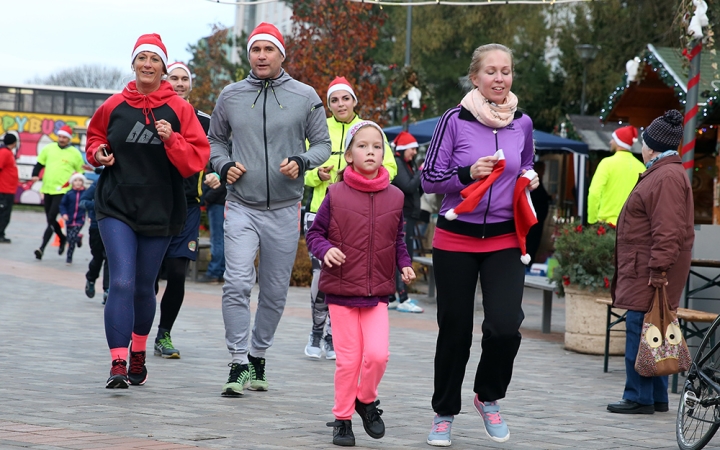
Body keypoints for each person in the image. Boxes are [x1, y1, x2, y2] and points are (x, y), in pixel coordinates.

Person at [421, 43, 539, 446]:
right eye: (491, 71)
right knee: (455, 331)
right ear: (475, 78)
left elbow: (526, 163)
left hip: (505, 238)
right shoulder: (453, 120)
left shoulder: (522, 123)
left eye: (506, 71)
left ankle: (488, 397)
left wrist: (529, 177)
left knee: (506, 327)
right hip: (456, 237)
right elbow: (430, 179)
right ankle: (443, 413)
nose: (500, 79)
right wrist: (467, 172)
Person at [208, 22, 331, 397]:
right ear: (249, 55)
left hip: (284, 207)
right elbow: (215, 141)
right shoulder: (230, 95)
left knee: (274, 292)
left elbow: (323, 145)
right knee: (238, 282)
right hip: (241, 205)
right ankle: (237, 361)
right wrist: (224, 166)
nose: (261, 55)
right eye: (255, 49)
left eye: (268, 49)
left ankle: (258, 354)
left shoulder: (304, 95)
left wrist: (301, 160)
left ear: (281, 54)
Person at [86, 33, 210, 389]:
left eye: (154, 59)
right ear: (133, 63)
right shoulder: (113, 105)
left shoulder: (180, 109)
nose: (147, 64)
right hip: (117, 204)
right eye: (142, 58)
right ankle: (118, 362)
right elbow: (94, 139)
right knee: (122, 281)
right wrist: (97, 153)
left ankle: (139, 350)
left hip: (160, 208)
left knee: (143, 286)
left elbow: (195, 161)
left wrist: (172, 138)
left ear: (164, 68)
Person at [305, 120, 416, 447]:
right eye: (363, 146)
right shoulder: (335, 194)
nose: (371, 151)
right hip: (341, 292)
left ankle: (365, 400)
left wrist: (405, 265)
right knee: (349, 360)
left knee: (378, 356)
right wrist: (326, 251)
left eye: (377, 146)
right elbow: (314, 234)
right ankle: (342, 419)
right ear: (349, 154)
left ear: (384, 154)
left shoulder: (395, 197)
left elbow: (398, 240)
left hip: (378, 293)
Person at [303, 76, 397, 360]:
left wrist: (367, 178)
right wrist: (315, 175)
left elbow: (390, 168)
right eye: (334, 100)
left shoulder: (368, 131)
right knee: (322, 277)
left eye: (345, 98)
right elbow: (302, 170)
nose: (340, 104)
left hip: (362, 212)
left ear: (355, 101)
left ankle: (334, 337)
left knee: (349, 278)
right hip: (321, 211)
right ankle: (316, 331)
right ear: (328, 105)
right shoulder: (317, 129)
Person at [606, 110, 694, 415]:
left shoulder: (665, 175)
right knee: (651, 330)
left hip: (649, 271)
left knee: (640, 330)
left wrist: (658, 270)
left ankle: (638, 397)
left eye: (644, 142)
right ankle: (656, 396)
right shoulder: (665, 172)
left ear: (651, 146)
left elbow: (668, 231)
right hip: (646, 268)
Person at [153, 61, 211, 360]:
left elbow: (215, 156)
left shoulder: (205, 120)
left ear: (191, 84)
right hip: (154, 203)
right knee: (149, 275)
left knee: (177, 273)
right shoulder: (151, 113)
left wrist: (215, 178)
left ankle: (164, 333)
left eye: (184, 78)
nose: (178, 83)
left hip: (187, 206)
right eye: (173, 77)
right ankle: (138, 329)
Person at [31, 125, 84, 260]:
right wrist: (35, 174)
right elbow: (39, 163)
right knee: (50, 218)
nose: (61, 139)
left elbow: (80, 172)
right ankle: (62, 237)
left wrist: (75, 186)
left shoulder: (75, 153)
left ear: (69, 139)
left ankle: (41, 248)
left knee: (50, 219)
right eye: (60, 136)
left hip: (63, 191)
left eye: (64, 137)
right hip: (47, 188)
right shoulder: (49, 148)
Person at [388, 131, 424, 313]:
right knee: (403, 256)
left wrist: (422, 178)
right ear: (402, 149)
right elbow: (408, 187)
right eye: (412, 149)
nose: (415, 153)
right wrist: (421, 172)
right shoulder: (398, 164)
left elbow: (417, 189)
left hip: (409, 215)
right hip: (402, 215)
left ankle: (392, 297)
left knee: (401, 254)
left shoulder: (408, 165)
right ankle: (403, 298)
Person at [587, 125, 646, 225]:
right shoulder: (641, 167)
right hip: (631, 226)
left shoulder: (606, 163)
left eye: (613, 139)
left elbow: (594, 192)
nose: (610, 142)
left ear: (619, 142)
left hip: (607, 225)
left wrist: (592, 220)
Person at [80, 173, 110, 304]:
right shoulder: (99, 181)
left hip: (115, 228)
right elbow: (83, 201)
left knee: (111, 258)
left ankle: (108, 291)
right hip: (96, 226)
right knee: (98, 258)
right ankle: (91, 279)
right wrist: (98, 206)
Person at [198, 171, 227, 284]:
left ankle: (214, 272)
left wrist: (207, 198)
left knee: (217, 239)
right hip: (224, 202)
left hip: (217, 203)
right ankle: (221, 272)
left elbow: (221, 184)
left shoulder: (220, 158)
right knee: (224, 239)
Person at [526, 160, 551, 265]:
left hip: (538, 219)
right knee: (532, 242)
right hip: (534, 219)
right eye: (543, 170)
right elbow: (538, 197)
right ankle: (528, 263)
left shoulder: (538, 182)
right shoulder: (534, 183)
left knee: (534, 242)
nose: (544, 173)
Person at [59, 173, 87, 264]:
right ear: (72, 182)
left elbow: (90, 205)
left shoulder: (86, 194)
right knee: (70, 239)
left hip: (80, 219)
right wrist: (64, 214)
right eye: (75, 180)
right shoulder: (69, 194)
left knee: (72, 237)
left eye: (80, 180)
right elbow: (62, 205)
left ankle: (77, 237)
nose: (78, 183)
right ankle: (69, 256)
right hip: (69, 219)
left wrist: (90, 216)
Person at [0, 133, 18, 243]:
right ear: (14, 142)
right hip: (4, 189)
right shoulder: (4, 153)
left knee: (5, 213)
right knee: (4, 213)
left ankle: (1, 232)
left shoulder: (8, 153)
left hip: (9, 189)